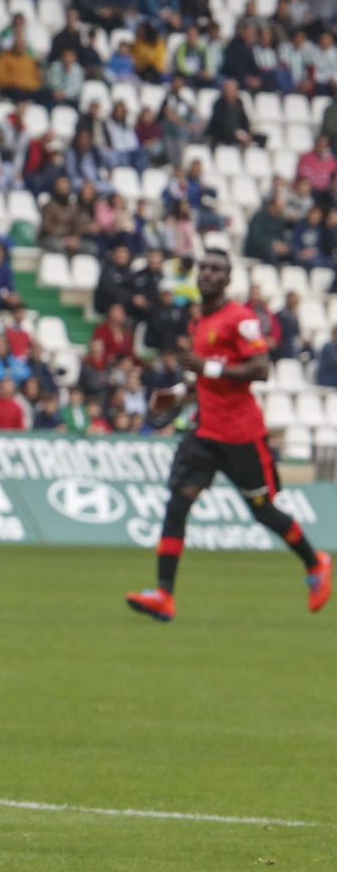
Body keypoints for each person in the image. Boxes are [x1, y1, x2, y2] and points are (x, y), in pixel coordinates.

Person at [127, 250, 331, 623]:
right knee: (178, 503)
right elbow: (203, 378)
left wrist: (209, 366)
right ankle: (163, 594)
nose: (207, 274)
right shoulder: (199, 323)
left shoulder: (240, 318)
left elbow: (261, 368)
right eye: (204, 268)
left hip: (240, 436)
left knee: (263, 511)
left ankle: (315, 562)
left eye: (216, 270)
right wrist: (175, 394)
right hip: (204, 432)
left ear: (227, 279)